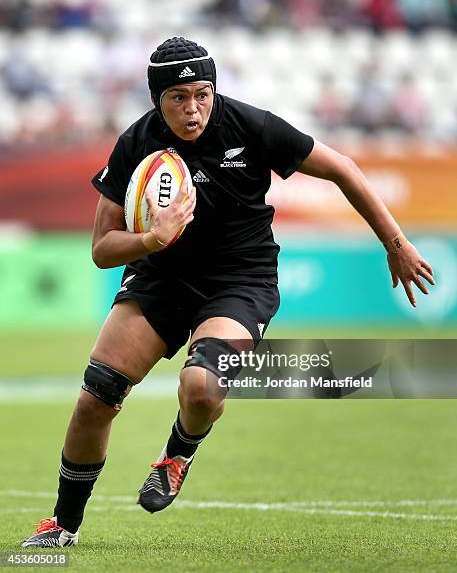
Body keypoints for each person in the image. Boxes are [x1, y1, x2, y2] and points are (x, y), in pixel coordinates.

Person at [22, 36, 435, 548]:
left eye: (203, 93)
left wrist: (394, 243)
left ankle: (178, 452)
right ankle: (63, 525)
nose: (193, 108)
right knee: (95, 398)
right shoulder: (136, 144)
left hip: (242, 280)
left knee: (201, 387)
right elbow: (103, 249)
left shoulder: (251, 126)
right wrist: (153, 237)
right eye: (178, 97)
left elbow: (342, 168)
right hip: (162, 279)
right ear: (157, 100)